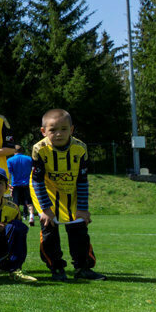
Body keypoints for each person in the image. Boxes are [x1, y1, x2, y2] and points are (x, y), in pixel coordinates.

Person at [31, 109, 105, 281]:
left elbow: (82, 180)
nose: (58, 134)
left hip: (70, 190)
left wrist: (83, 209)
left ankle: (83, 268)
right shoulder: (39, 149)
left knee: (79, 230)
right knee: (49, 229)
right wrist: (45, 209)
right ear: (44, 131)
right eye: (52, 130)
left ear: (71, 129)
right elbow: (37, 181)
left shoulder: (80, 148)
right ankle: (56, 268)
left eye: (64, 129)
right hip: (46, 191)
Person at [7, 146, 35, 226]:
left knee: (16, 203)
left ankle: (17, 218)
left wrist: (8, 183)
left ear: (13, 151)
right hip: (27, 184)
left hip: (16, 184)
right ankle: (31, 217)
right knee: (29, 202)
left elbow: (9, 173)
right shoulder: (29, 159)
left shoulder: (10, 160)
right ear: (22, 150)